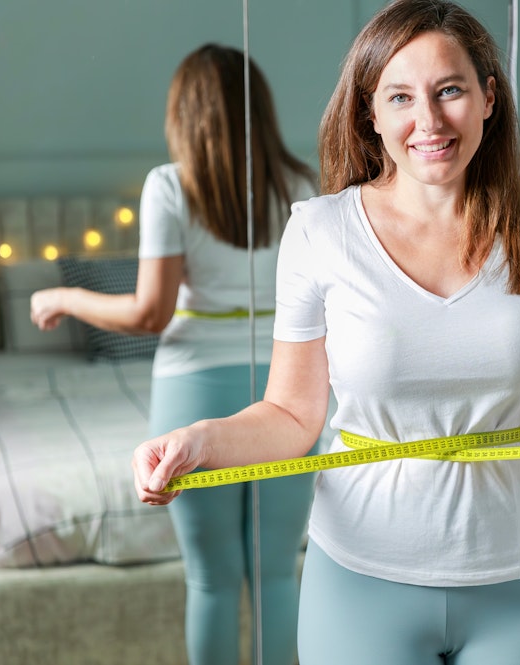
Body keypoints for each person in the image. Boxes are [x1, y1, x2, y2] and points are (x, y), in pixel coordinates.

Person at [131, 3, 520, 664]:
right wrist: (198, 440)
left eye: (450, 91)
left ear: (489, 97)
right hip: (361, 582)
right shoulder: (319, 234)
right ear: (368, 113)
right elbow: (292, 416)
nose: (429, 121)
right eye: (401, 97)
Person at [32, 44, 319, 665]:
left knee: (212, 578)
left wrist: (65, 295)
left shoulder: (170, 187)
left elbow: (147, 314)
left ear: (184, 114)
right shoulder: (302, 185)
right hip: (289, 383)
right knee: (276, 574)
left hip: (195, 384)